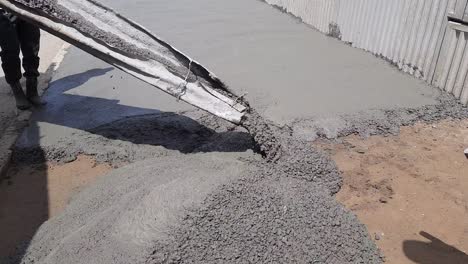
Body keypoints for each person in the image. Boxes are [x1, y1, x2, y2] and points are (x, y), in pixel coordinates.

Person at [0, 8, 44, 110]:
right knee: (10, 52)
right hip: (2, 12)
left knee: (32, 48)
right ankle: (17, 90)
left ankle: (32, 89)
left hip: (26, 6)